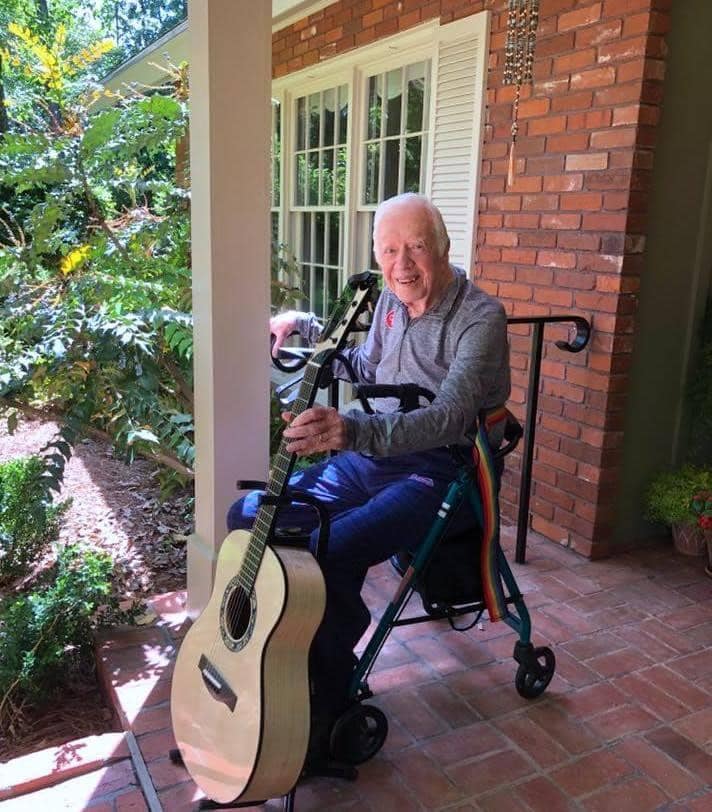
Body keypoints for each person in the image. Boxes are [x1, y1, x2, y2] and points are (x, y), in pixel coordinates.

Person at [227, 193, 510, 760]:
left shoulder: (480, 316)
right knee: (250, 515)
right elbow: (365, 364)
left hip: (443, 467)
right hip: (374, 457)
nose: (402, 263)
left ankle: (328, 696)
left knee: (335, 545)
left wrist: (351, 432)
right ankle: (282, 659)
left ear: (443, 246)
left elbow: (450, 417)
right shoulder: (387, 303)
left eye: (415, 247)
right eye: (389, 250)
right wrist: (306, 327)